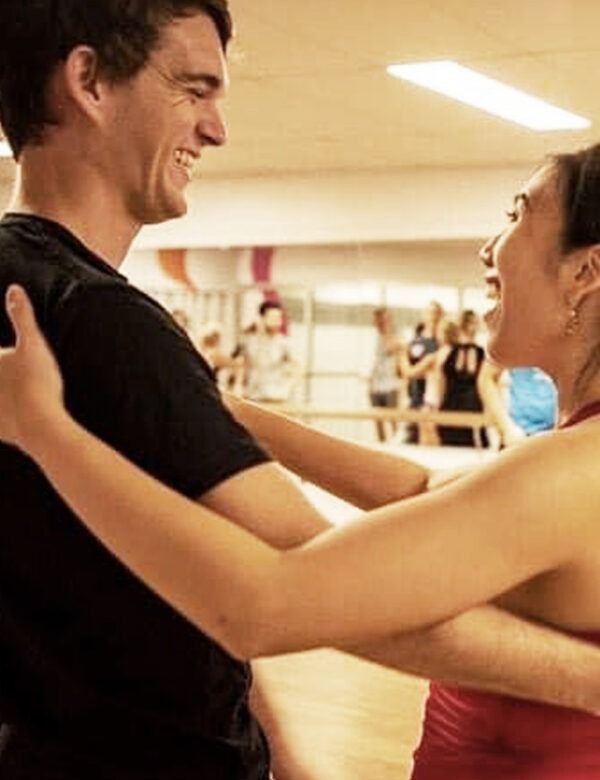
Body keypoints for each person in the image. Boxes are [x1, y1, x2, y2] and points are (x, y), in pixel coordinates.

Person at [3, 4, 595, 780]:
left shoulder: (568, 474)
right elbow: (426, 492)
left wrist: (50, 430)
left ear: (586, 273)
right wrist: (215, 407)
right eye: (194, 89)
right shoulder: (105, 324)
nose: (218, 129)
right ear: (86, 81)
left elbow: (273, 593)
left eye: (518, 215)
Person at [437, 309, 489, 448]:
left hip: (471, 409)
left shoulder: (481, 353)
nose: (471, 327)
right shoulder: (449, 351)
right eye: (468, 323)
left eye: (473, 323)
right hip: (451, 407)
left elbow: (486, 384)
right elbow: (441, 381)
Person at [241, 301, 300, 403]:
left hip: (277, 395)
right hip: (253, 395)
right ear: (262, 318)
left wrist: (288, 388)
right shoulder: (250, 341)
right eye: (273, 318)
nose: (277, 322)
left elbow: (297, 367)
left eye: (279, 318)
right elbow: (243, 366)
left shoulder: (283, 342)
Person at [404, 301, 443, 442]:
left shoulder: (442, 342)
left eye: (437, 313)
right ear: (424, 315)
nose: (433, 317)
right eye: (430, 313)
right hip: (416, 396)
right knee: (414, 436)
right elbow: (406, 371)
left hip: (434, 399)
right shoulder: (415, 342)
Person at [368, 306, 403, 442]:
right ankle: (381, 448)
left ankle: (396, 449)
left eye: (384, 319)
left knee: (394, 421)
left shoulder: (396, 336)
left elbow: (395, 347)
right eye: (378, 320)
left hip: (391, 386)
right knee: (378, 422)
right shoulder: (373, 338)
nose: (380, 323)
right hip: (375, 386)